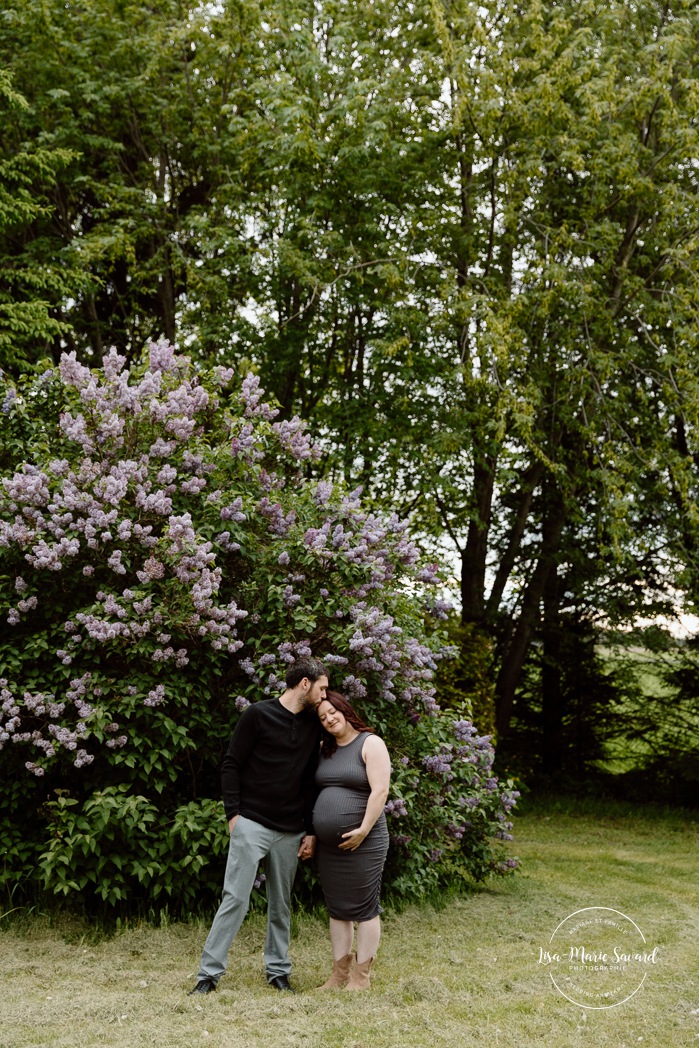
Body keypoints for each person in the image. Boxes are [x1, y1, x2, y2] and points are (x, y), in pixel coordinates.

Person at [188, 656, 328, 995]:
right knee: (235, 898)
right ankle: (208, 975)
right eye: (322, 689)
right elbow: (231, 765)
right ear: (304, 684)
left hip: (291, 829)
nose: (325, 696)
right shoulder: (257, 714)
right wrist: (234, 816)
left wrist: (309, 830)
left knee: (281, 904)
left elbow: (310, 781)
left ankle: (278, 971)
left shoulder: (313, 725)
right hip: (251, 823)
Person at [312, 691, 391, 991]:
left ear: (345, 710)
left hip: (366, 841)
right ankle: (338, 975)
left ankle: (361, 977)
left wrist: (362, 830)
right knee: (337, 909)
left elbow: (380, 792)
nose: (329, 719)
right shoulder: (324, 750)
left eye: (333, 712)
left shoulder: (370, 743)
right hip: (331, 847)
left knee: (365, 907)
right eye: (322, 717)